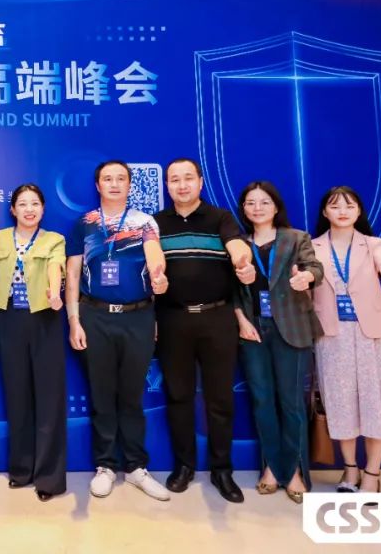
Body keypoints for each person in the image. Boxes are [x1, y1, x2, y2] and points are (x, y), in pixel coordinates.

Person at [65, 161, 170, 502]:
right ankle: (106, 466)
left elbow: (155, 256)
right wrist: (74, 321)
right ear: (98, 185)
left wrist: (158, 275)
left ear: (129, 185)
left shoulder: (144, 222)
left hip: (138, 318)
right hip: (94, 317)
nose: (114, 184)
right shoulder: (84, 223)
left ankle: (137, 467)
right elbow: (73, 274)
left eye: (120, 179)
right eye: (107, 179)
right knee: (102, 395)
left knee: (131, 396)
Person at [154, 158, 256, 503]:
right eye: (174, 180)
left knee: (220, 398)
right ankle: (184, 466)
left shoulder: (220, 218)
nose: (181, 185)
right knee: (178, 396)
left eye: (188, 178)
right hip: (173, 319)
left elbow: (237, 246)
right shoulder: (156, 223)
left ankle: (221, 469)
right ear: (167, 185)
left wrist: (243, 262)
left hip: (217, 318)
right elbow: (151, 263)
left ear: (200, 181)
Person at [311, 185, 381, 494]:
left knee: (376, 403)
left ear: (359, 211)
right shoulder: (311, 246)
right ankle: (350, 470)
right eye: (335, 206)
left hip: (370, 333)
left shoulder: (373, 244)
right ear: (325, 212)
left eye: (349, 206)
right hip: (331, 335)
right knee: (340, 404)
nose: (342, 211)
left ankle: (372, 473)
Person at [233, 181, 324, 504]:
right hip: (252, 330)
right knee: (262, 401)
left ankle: (295, 470)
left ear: (275, 206)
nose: (257, 208)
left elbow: (315, 268)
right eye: (250, 203)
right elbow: (230, 290)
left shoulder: (295, 238)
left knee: (291, 403)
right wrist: (242, 321)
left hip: (292, 327)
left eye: (264, 202)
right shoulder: (238, 244)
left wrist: (306, 278)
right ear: (243, 209)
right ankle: (271, 466)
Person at [0, 184, 67, 501]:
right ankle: (21, 470)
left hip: (45, 317)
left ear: (43, 208)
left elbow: (55, 267)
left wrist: (54, 292)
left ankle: (49, 478)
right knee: (17, 396)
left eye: (35, 203)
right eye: (23, 204)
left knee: (49, 400)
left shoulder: (54, 239)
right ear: (13, 209)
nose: (29, 209)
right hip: (9, 319)